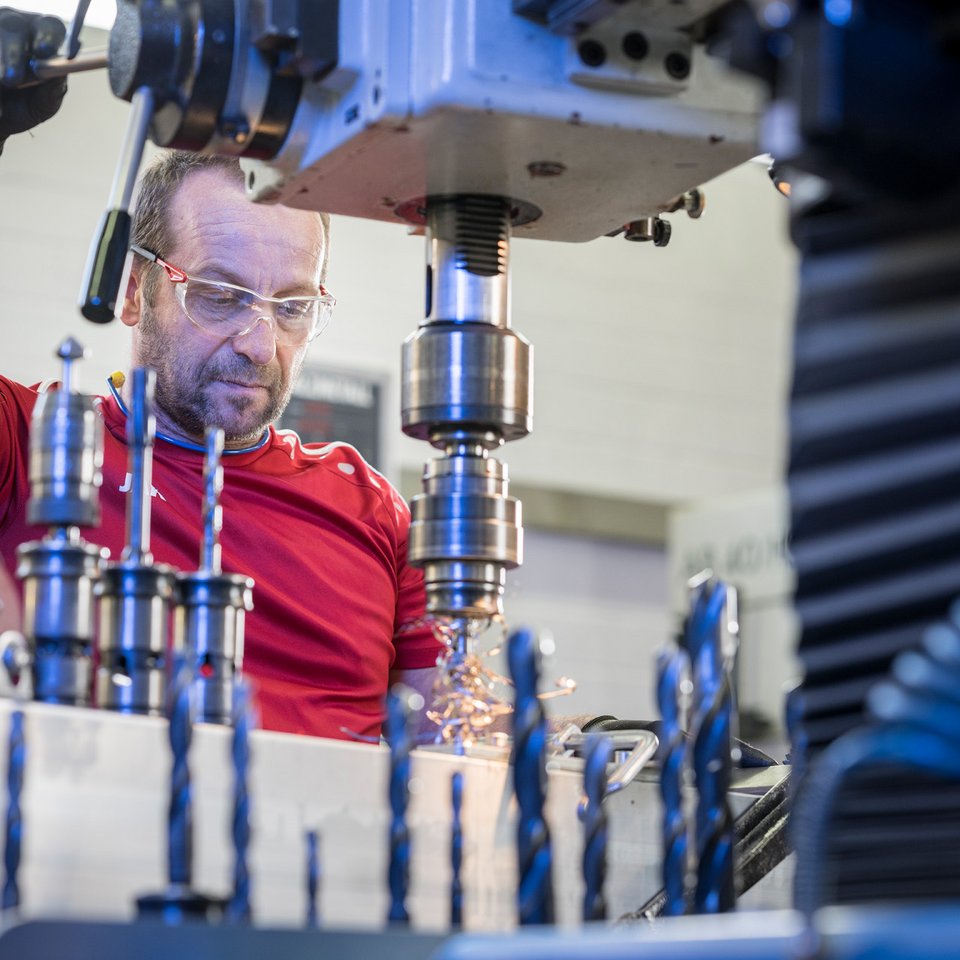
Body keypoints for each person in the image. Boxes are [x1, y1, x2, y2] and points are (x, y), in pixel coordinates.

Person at [0, 151, 441, 739]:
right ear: (134, 291)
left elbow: (459, 733)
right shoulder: (27, 438)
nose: (260, 345)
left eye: (292, 308)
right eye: (220, 294)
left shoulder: (373, 514)